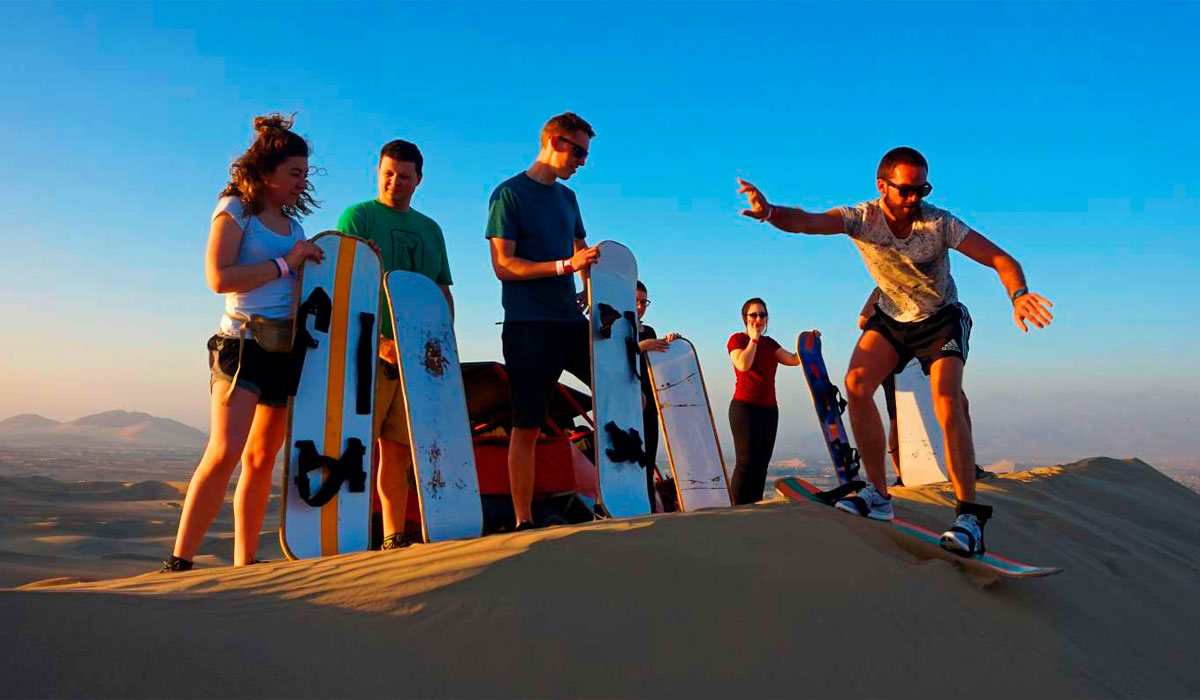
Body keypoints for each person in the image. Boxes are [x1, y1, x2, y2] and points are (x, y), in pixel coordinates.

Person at [737, 147, 1053, 554]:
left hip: (940, 318)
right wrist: (771, 213)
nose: (914, 198)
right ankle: (878, 495)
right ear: (882, 186)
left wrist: (1018, 294)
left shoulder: (939, 223)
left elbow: (999, 258)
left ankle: (969, 516)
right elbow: (810, 222)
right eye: (906, 190)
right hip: (891, 317)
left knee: (946, 400)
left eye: (922, 189)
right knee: (857, 383)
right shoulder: (862, 218)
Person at [163, 114, 324, 571]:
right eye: (294, 173)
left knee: (261, 458)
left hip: (285, 347)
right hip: (242, 343)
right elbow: (218, 277)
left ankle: (245, 566)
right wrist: (285, 263)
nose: (300, 183)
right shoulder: (234, 209)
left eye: (304, 175)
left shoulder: (293, 228)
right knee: (225, 452)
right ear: (267, 171)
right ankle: (180, 561)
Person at [486, 112, 601, 530]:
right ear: (554, 141)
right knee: (527, 423)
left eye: (586, 153)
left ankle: (619, 495)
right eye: (578, 151)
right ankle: (523, 521)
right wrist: (566, 267)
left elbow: (581, 249)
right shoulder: (508, 194)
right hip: (528, 325)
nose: (582, 162)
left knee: (625, 397)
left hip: (569, 321)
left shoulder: (568, 199)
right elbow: (503, 265)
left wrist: (588, 284)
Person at [337, 139, 454, 550]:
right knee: (354, 449)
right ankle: (345, 538)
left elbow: (441, 289)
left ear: (418, 180)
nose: (394, 182)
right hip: (365, 353)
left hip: (417, 359)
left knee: (398, 453)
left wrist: (440, 344)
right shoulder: (359, 216)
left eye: (404, 176)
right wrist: (381, 342)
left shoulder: (431, 229)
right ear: (377, 171)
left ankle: (393, 536)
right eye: (387, 173)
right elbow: (343, 284)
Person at [856, 290, 993, 487]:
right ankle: (901, 475)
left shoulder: (931, 279)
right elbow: (863, 321)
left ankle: (966, 467)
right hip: (897, 357)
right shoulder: (882, 287)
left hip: (930, 350)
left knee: (957, 404)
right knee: (897, 418)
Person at [726, 298, 800, 505]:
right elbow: (743, 364)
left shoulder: (771, 344)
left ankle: (755, 506)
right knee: (745, 463)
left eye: (762, 315)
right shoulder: (737, 340)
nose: (758, 319)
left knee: (761, 464)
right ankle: (736, 508)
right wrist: (754, 339)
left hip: (769, 409)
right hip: (744, 408)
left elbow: (793, 359)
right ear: (745, 318)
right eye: (754, 315)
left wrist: (808, 343)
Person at [635, 280, 680, 510]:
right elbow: (617, 358)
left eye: (644, 302)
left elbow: (660, 360)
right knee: (631, 458)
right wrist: (642, 346)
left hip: (651, 403)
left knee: (649, 456)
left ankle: (649, 508)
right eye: (637, 301)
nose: (641, 306)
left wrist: (672, 342)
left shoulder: (649, 331)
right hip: (627, 403)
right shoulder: (616, 327)